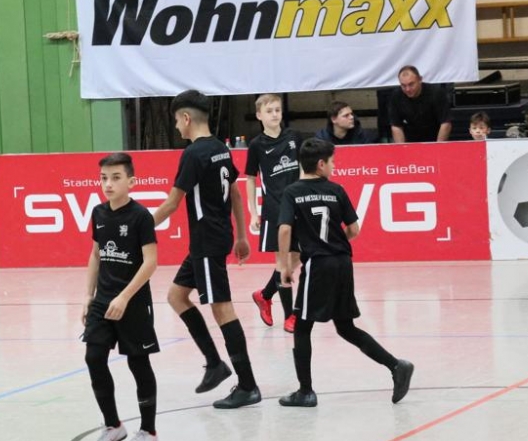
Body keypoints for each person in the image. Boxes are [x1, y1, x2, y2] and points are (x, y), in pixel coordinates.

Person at [276, 138, 415, 408]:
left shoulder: (292, 192)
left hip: (318, 265)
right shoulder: (336, 190)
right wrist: (334, 243)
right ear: (321, 164)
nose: (334, 166)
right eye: (332, 162)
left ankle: (305, 391)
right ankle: (396, 366)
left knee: (302, 327)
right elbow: (353, 230)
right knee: (345, 327)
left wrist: (284, 266)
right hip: (342, 262)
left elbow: (284, 230)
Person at [153, 89, 261, 409]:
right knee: (176, 296)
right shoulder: (220, 148)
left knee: (222, 309)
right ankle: (214, 364)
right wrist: (242, 235)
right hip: (216, 237)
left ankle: (248, 385)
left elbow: (172, 203)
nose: (176, 127)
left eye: (177, 121)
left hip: (207, 240)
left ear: (186, 118)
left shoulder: (193, 154)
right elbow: (235, 194)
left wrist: (138, 227)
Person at [82, 152, 161, 441]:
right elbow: (95, 254)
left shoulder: (141, 217)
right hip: (103, 301)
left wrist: (125, 296)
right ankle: (113, 426)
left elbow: (151, 262)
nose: (108, 184)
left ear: (131, 181)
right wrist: (88, 296)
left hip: (133, 302)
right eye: (104, 178)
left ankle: (149, 432)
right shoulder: (99, 213)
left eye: (116, 178)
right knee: (94, 357)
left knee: (138, 363)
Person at [245, 93, 301, 334]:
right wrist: (253, 212)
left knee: (298, 257)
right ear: (259, 115)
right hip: (275, 209)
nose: (275, 114)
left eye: (277, 110)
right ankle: (290, 317)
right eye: (269, 111)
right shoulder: (256, 145)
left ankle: (265, 295)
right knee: (283, 262)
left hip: (298, 205)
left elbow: (303, 167)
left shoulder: (294, 137)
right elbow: (250, 179)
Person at [388, 65, 452, 143]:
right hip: (410, 141)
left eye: (411, 84)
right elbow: (396, 126)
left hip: (434, 138)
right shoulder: (396, 96)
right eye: (403, 85)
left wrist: (438, 147)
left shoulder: (436, 93)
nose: (407, 89)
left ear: (420, 80)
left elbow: (445, 123)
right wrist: (402, 148)